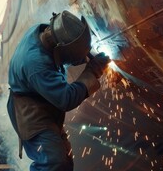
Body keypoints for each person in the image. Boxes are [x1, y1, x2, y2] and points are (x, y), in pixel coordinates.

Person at [7, 10, 110, 171]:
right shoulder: (36, 64)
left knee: (65, 160)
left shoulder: (42, 33)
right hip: (31, 114)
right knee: (53, 162)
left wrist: (82, 53)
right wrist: (93, 71)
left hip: (42, 101)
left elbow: (60, 58)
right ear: (59, 49)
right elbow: (66, 99)